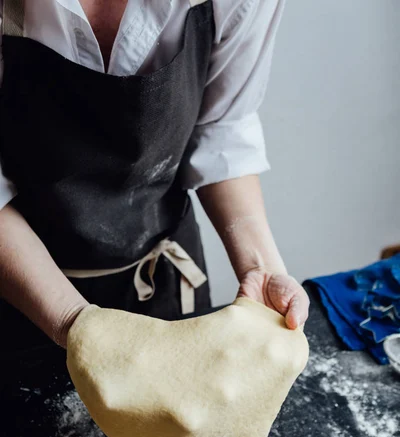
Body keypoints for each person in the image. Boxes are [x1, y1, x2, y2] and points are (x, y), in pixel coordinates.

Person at [0, 0, 309, 354]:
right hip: (16, 288)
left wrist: (262, 268)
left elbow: (221, 127)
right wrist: (75, 321)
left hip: (164, 276)